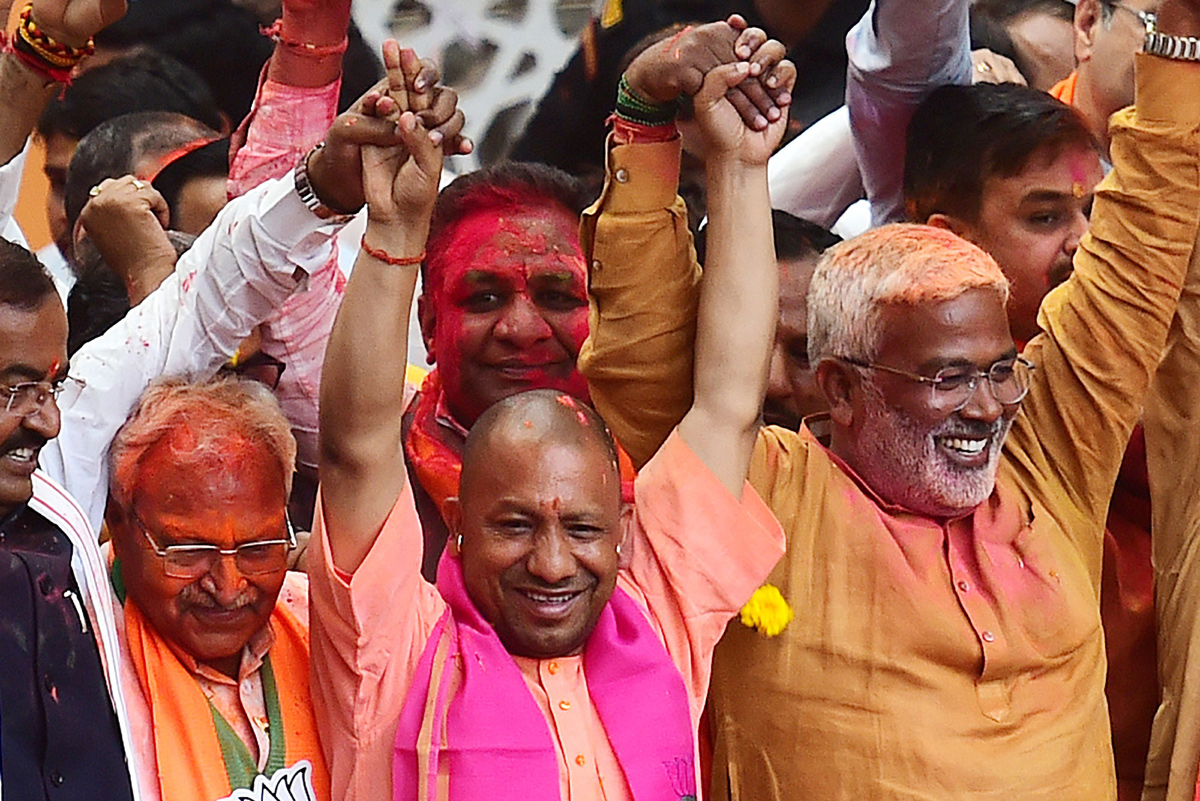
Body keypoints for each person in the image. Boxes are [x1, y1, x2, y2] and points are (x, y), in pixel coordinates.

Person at [577, 0, 1200, 795]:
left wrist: (1180, 29)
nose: (985, 406)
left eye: (1000, 367)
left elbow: (1139, 255)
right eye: (946, 379)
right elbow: (645, 361)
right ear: (840, 387)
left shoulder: (1044, 456)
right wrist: (643, 116)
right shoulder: (760, 492)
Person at [309, 36, 791, 801]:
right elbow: (355, 448)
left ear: (625, 527)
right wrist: (395, 232)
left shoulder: (654, 618)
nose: (555, 563)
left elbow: (730, 401)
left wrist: (741, 165)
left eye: (585, 528)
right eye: (514, 525)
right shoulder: (396, 647)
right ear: (460, 522)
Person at [105, 376, 329, 801]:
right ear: (118, 524)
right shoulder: (81, 662)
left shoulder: (323, 625)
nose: (228, 588)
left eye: (257, 549)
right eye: (189, 552)